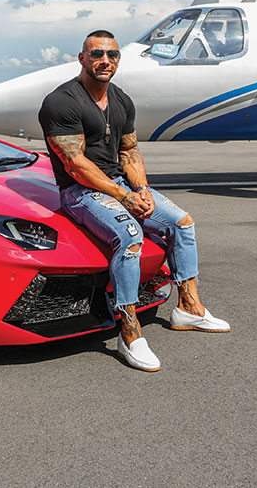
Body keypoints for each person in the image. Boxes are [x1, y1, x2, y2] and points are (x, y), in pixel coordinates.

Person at [38, 29, 229, 372]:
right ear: (82, 58)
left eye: (111, 55)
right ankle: (128, 331)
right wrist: (124, 196)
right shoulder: (62, 101)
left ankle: (189, 307)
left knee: (182, 223)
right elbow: (75, 163)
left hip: (122, 186)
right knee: (130, 237)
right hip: (81, 192)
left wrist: (141, 190)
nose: (104, 61)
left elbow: (129, 150)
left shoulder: (121, 100)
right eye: (96, 54)